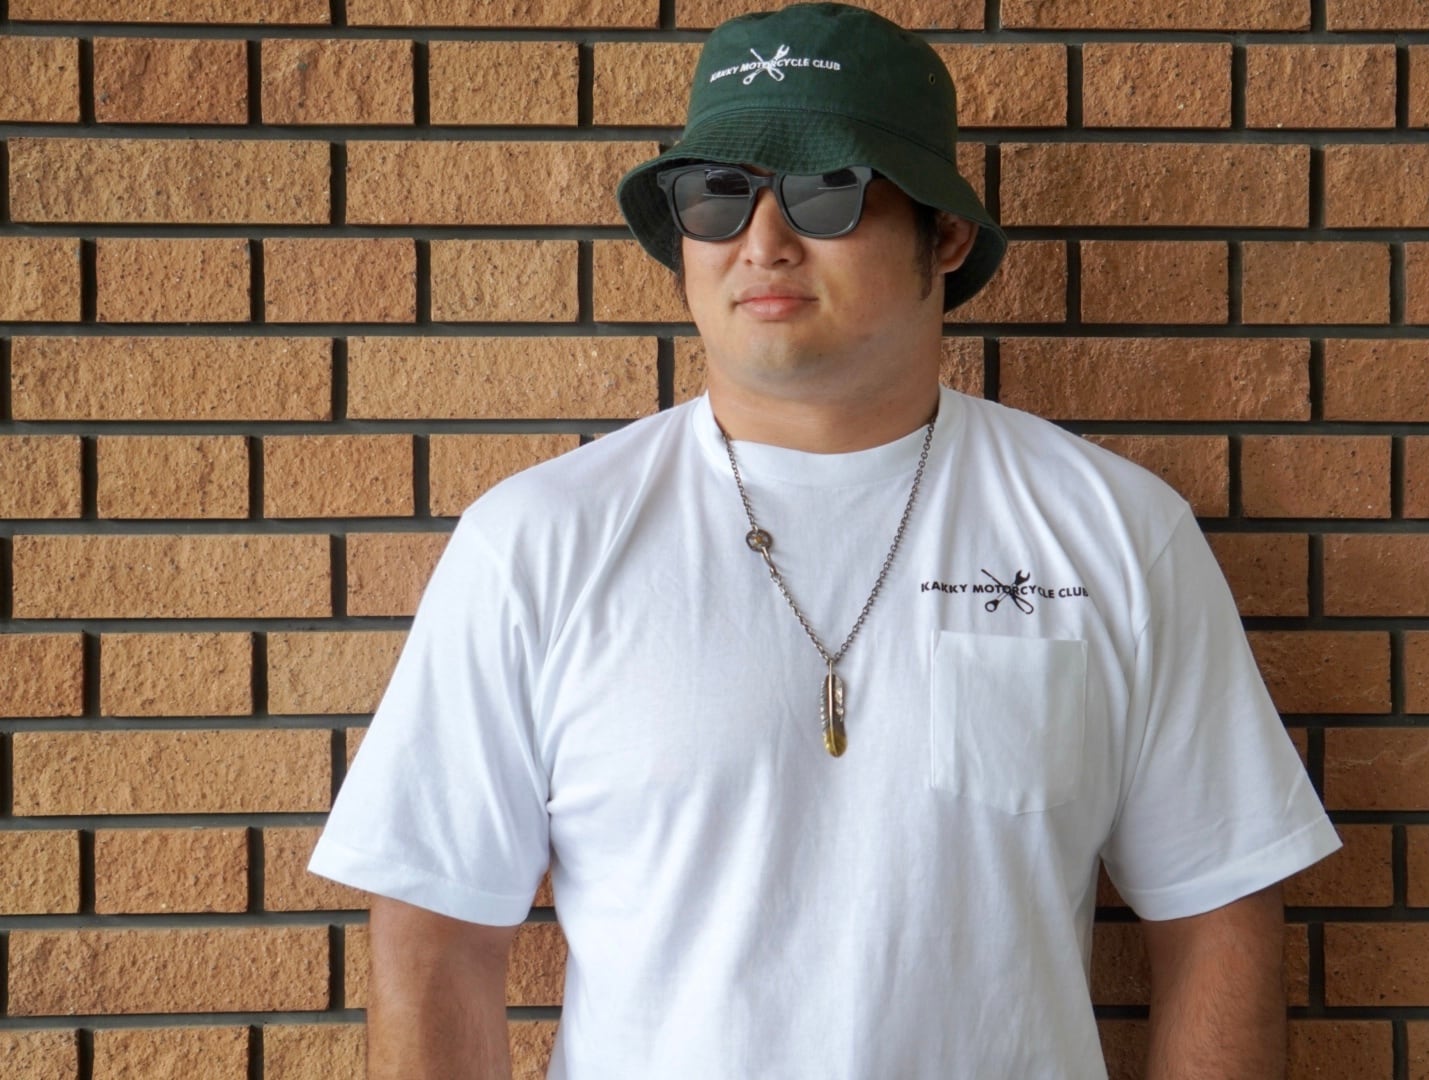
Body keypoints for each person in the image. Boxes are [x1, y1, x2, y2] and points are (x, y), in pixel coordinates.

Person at [310, 4, 1341, 1077]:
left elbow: (1218, 919)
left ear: (944, 234)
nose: (763, 242)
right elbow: (435, 938)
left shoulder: (1113, 532)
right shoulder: (537, 544)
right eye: (718, 195)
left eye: (827, 189)